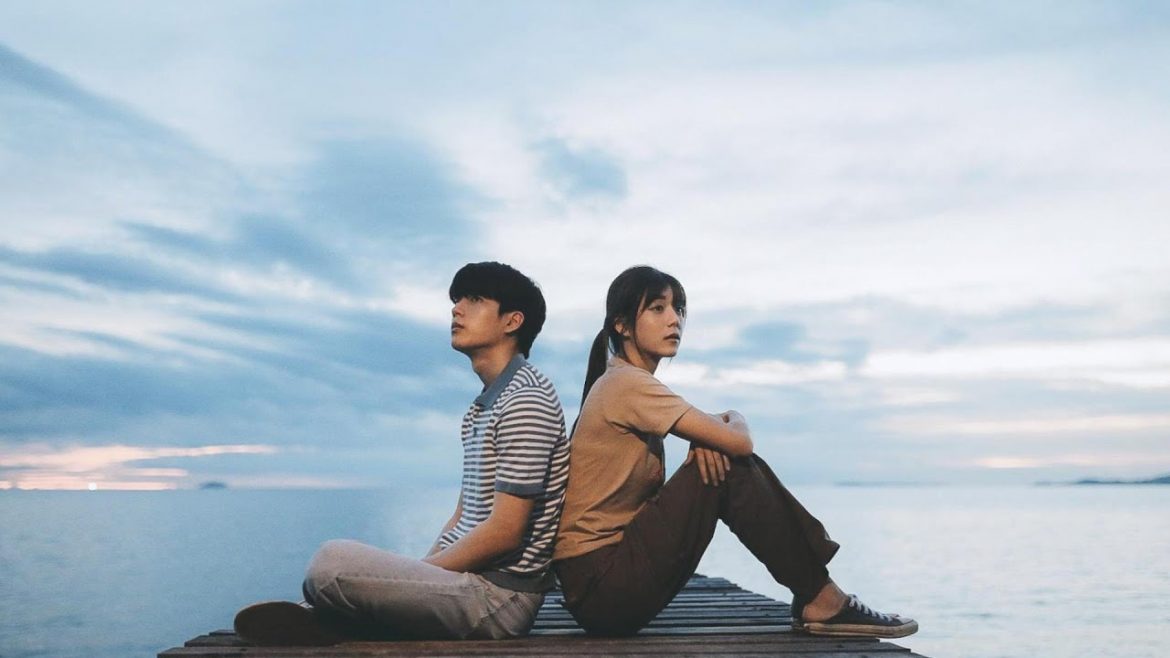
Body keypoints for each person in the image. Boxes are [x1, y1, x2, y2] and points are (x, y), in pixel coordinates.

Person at [553, 265, 917, 638]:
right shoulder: (626, 384)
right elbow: (741, 442)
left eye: (678, 309)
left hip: (602, 586)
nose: (674, 319)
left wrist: (709, 439)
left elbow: (718, 435)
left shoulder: (624, 382)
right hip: (604, 586)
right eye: (658, 308)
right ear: (622, 325)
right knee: (727, 462)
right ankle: (822, 598)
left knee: (717, 454)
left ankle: (818, 594)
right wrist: (733, 419)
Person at [234, 262, 570, 645]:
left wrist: (422, 574)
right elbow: (462, 516)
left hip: (498, 598)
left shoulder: (526, 400)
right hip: (468, 585)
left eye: (474, 300)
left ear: (512, 321)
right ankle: (346, 620)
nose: (456, 309)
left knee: (331, 564)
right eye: (457, 300)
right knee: (343, 569)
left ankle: (342, 618)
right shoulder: (483, 408)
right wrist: (413, 579)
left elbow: (505, 533)